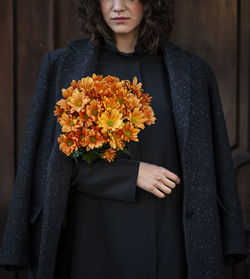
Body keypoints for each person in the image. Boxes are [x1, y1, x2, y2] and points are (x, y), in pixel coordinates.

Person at [0, 0, 248, 279]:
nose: (118, 6)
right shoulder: (63, 65)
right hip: (93, 235)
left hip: (169, 233)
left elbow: (212, 167)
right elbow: (51, 167)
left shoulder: (192, 71)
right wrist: (132, 174)